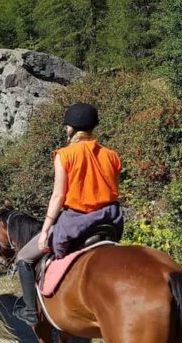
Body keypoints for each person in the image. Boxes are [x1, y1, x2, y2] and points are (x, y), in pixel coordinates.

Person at [12, 103, 123, 326]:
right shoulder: (112, 156)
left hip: (76, 222)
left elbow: (58, 197)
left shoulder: (64, 155)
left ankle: (31, 311)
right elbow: (113, 190)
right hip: (111, 221)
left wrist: (45, 230)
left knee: (24, 258)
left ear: (71, 128)